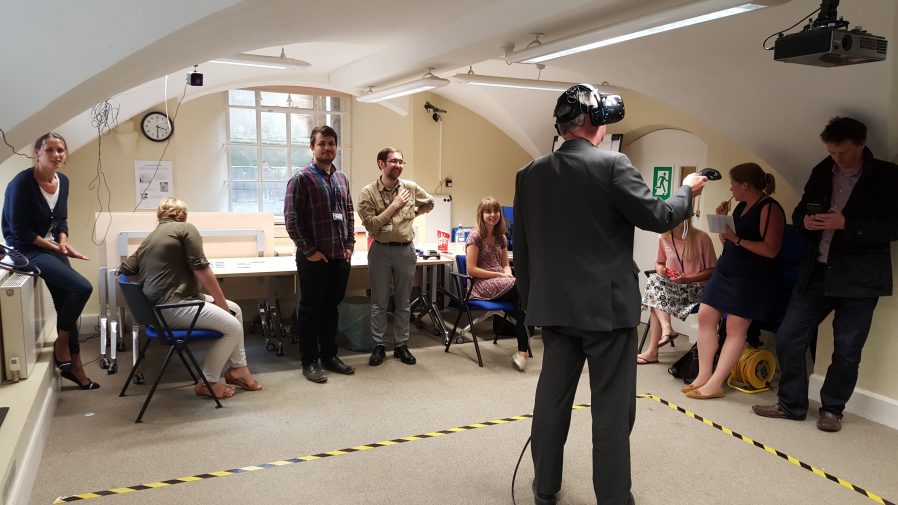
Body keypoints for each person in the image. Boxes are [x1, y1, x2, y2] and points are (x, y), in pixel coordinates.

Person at [514, 84, 707, 505]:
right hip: (607, 312)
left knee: (551, 401)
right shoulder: (613, 164)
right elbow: (659, 216)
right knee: (612, 414)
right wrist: (688, 190)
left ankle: (544, 489)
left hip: (554, 309)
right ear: (591, 122)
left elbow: (522, 248)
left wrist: (532, 303)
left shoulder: (529, 174)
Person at [753, 116, 898, 432]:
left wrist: (847, 225)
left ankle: (832, 410)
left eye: (843, 153)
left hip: (860, 279)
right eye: (832, 152)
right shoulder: (821, 169)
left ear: (861, 144)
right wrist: (804, 221)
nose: (836, 159)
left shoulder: (887, 176)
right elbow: (801, 208)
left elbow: (893, 227)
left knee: (847, 350)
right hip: (816, 272)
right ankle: (791, 405)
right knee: (790, 336)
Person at [119, 198, 262, 398]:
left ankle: (238, 369)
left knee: (236, 310)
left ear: (159, 216)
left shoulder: (151, 238)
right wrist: (221, 305)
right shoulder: (186, 228)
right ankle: (209, 381)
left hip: (157, 310)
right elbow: (202, 269)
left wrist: (159, 274)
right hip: (172, 307)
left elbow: (124, 270)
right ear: (184, 215)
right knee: (233, 325)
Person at [2, 132, 97, 390]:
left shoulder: (62, 181)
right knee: (82, 287)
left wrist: (63, 242)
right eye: (51, 150)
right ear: (37, 153)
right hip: (26, 250)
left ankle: (74, 366)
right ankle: (62, 344)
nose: (57, 155)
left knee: (67, 301)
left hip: (50, 246)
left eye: (61, 150)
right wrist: (57, 247)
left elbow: (60, 219)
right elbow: (20, 233)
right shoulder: (22, 183)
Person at [685, 163, 785, 400]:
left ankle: (716, 384)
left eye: (732, 183)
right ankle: (704, 375)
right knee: (705, 317)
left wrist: (736, 238)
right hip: (726, 271)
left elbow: (771, 250)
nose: (730, 188)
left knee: (734, 329)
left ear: (745, 185)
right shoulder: (740, 206)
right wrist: (723, 220)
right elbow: (726, 241)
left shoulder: (770, 209)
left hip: (750, 278)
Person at [284, 125, 356, 383]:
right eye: (322, 143)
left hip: (339, 257)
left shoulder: (342, 178)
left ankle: (329, 355)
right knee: (310, 310)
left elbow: (348, 214)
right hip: (314, 259)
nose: (327, 148)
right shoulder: (301, 179)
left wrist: (349, 247)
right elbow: (292, 221)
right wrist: (311, 251)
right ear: (312, 147)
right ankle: (309, 361)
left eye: (331, 143)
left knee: (331, 309)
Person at [356, 147, 434, 366]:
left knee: (403, 302)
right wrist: (394, 206)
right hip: (380, 250)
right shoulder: (368, 193)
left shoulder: (410, 187)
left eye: (401, 162)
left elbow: (430, 202)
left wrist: (415, 214)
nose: (398, 165)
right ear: (381, 164)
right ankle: (379, 346)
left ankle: (401, 345)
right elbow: (371, 224)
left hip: (405, 250)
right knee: (379, 302)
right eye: (393, 161)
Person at [637, 217, 717, 365]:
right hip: (675, 289)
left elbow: (713, 270)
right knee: (654, 282)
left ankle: (654, 349)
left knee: (655, 300)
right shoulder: (663, 237)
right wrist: (660, 268)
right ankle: (666, 328)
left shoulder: (702, 238)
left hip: (697, 290)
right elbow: (659, 261)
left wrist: (687, 279)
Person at [465, 196, 530, 371]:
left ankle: (522, 352)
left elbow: (505, 265)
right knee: (522, 291)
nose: (493, 215)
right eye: (488, 211)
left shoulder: (500, 237)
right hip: (480, 284)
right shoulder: (475, 236)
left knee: (521, 298)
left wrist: (507, 274)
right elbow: (471, 270)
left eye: (496, 211)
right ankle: (523, 349)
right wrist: (499, 275)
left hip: (500, 281)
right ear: (481, 214)